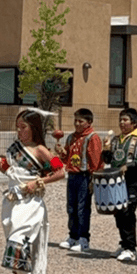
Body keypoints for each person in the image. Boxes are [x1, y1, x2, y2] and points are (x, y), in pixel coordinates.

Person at [0, 109, 65, 274]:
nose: (20, 131)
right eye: (18, 127)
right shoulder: (15, 148)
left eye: (24, 127)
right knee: (18, 248)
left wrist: (38, 182)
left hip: (30, 204)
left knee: (17, 243)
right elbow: (8, 168)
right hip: (11, 203)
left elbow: (60, 171)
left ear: (34, 128)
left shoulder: (40, 150)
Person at [102, 108, 137, 262]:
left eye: (125, 120)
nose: (122, 123)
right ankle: (123, 244)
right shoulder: (117, 139)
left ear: (134, 123)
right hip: (117, 181)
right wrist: (106, 149)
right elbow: (108, 160)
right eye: (121, 120)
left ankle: (131, 248)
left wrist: (129, 166)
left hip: (133, 181)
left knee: (128, 212)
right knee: (118, 211)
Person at [55, 108, 103, 252]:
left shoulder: (92, 137)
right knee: (71, 208)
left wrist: (94, 179)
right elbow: (67, 158)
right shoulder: (71, 138)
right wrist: (61, 154)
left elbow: (96, 160)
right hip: (72, 176)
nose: (77, 124)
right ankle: (73, 236)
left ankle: (84, 239)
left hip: (84, 176)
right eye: (75, 120)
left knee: (82, 208)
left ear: (89, 122)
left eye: (80, 121)